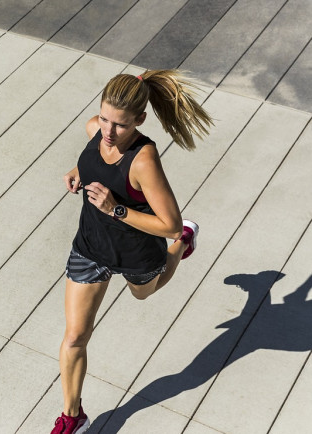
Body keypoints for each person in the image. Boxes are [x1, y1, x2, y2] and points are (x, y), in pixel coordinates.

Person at [50, 70, 213, 434]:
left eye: (120, 126)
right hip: (91, 246)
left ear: (139, 121)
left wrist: (116, 210)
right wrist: (78, 169)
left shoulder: (143, 160)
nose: (108, 132)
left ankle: (185, 244)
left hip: (137, 251)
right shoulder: (96, 128)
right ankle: (72, 416)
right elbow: (96, 156)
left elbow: (168, 222)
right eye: (105, 118)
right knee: (75, 336)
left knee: (144, 293)